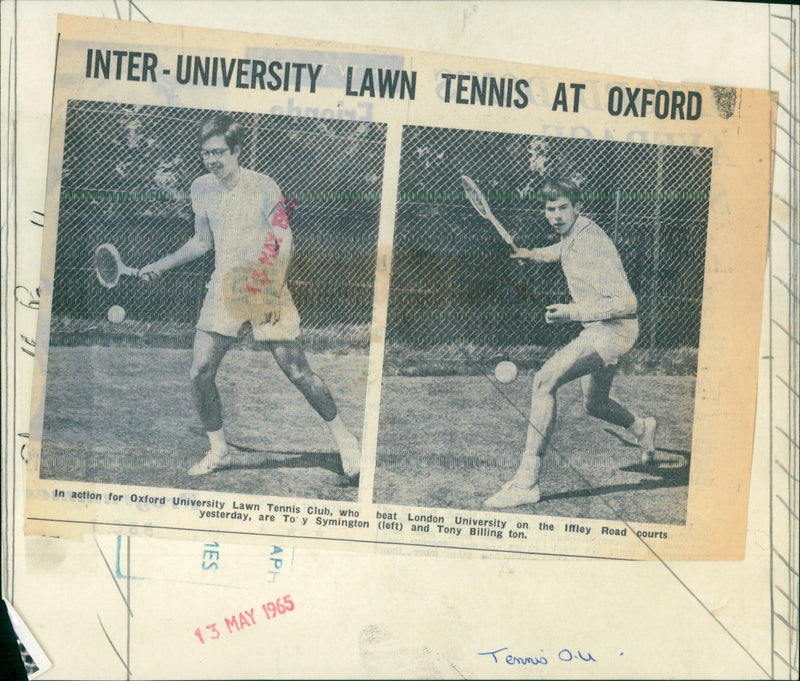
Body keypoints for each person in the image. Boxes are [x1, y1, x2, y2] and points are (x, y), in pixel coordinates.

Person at [139, 114, 360, 478]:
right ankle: (219, 450)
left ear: (236, 151)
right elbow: (201, 242)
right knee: (200, 371)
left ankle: (345, 439)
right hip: (224, 289)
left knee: (297, 371)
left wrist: (271, 282)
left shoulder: (264, 185)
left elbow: (283, 237)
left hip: (264, 285)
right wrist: (161, 265)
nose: (212, 160)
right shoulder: (201, 188)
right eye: (206, 153)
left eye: (219, 153)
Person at [484, 177, 656, 508]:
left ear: (578, 207)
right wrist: (532, 255)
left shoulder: (591, 242)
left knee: (544, 381)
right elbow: (560, 251)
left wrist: (571, 312)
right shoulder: (575, 234)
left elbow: (629, 303)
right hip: (601, 327)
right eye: (551, 208)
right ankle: (641, 428)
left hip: (613, 329)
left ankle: (527, 482)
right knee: (595, 404)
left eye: (564, 207)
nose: (557, 215)